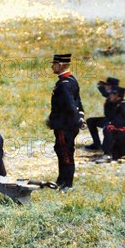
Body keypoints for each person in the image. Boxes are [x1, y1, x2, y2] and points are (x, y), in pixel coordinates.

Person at [47, 53, 86, 191]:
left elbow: (70, 106)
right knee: (61, 150)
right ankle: (61, 180)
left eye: (54, 64)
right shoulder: (71, 80)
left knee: (65, 153)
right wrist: (81, 116)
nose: (52, 66)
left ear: (60, 65)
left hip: (64, 125)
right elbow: (78, 102)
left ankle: (67, 184)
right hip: (67, 124)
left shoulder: (63, 85)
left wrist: (75, 120)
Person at [85, 77, 120, 150]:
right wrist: (100, 85)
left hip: (115, 122)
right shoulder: (110, 94)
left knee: (107, 129)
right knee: (90, 121)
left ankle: (109, 148)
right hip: (108, 119)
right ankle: (96, 144)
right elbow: (103, 92)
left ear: (112, 87)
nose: (105, 86)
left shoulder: (116, 97)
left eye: (107, 85)